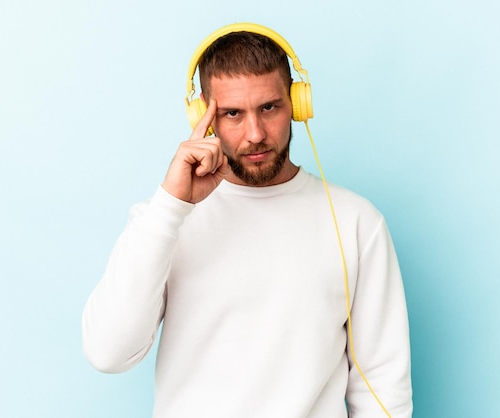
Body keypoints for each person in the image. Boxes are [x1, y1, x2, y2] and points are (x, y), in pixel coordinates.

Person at [82, 23, 412, 418]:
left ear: (296, 104)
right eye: (233, 113)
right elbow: (108, 352)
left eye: (269, 108)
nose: (255, 133)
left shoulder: (356, 222)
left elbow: (383, 386)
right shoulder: (163, 220)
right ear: (202, 114)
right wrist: (172, 206)